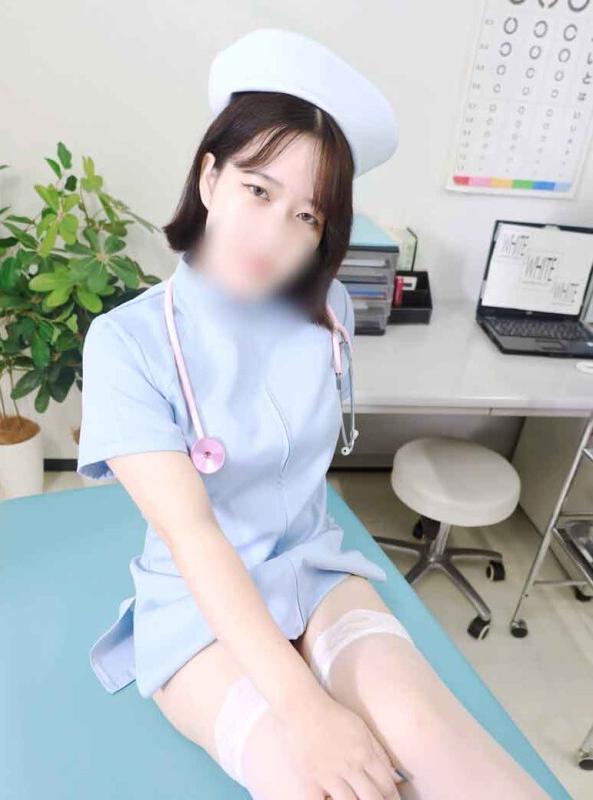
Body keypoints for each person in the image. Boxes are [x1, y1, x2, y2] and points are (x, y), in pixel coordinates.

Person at [77, 28, 549, 800]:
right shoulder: (127, 344)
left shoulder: (329, 311)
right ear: (209, 177)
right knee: (316, 781)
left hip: (313, 570)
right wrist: (307, 710)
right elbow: (194, 537)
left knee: (437, 740)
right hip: (197, 605)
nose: (275, 234)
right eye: (259, 191)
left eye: (307, 216)